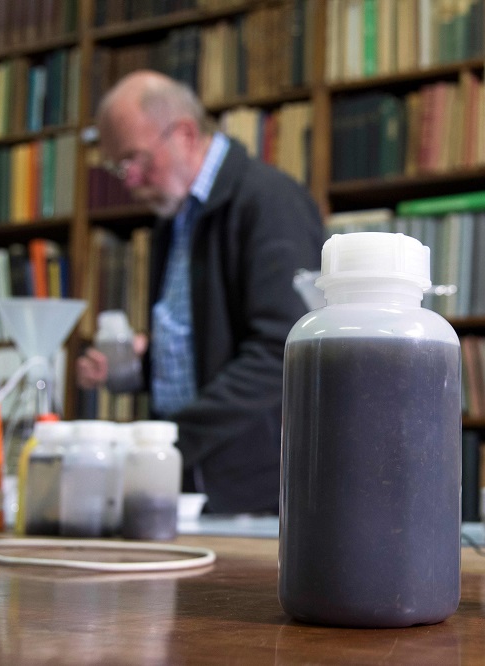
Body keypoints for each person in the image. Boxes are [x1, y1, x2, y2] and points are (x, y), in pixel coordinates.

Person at [77, 70, 325, 514]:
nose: (129, 180)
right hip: (189, 475)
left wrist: (170, 439)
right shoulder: (173, 219)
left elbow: (282, 350)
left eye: (135, 159)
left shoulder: (269, 201)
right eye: (118, 167)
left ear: (185, 135)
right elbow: (201, 349)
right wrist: (138, 367)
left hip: (256, 489)